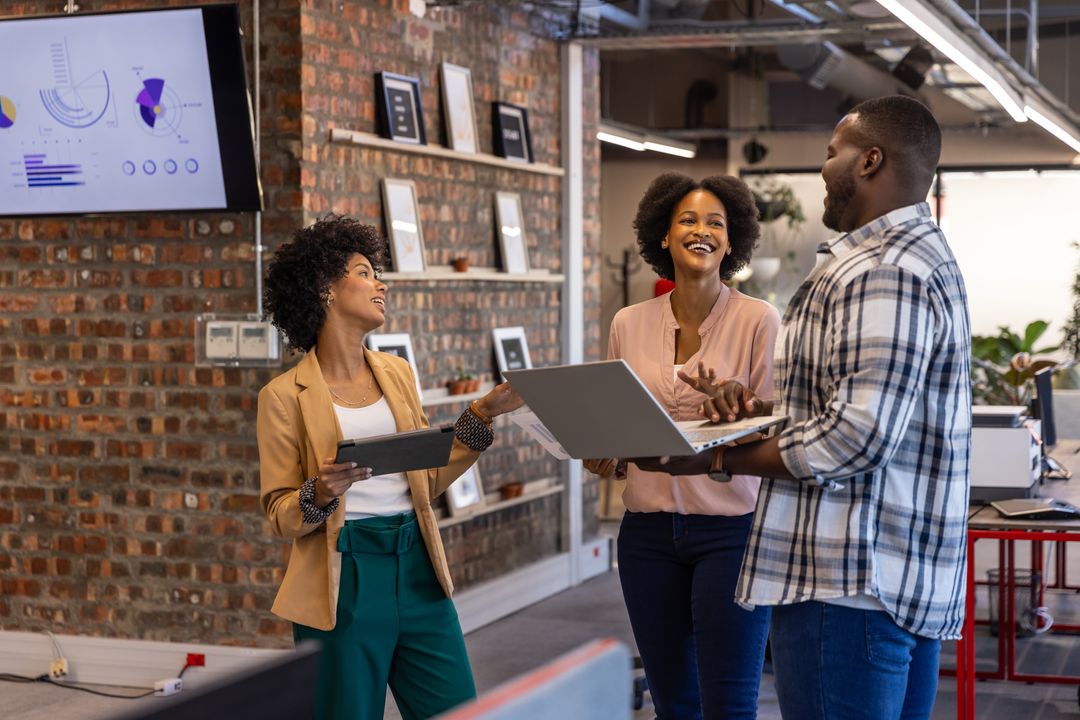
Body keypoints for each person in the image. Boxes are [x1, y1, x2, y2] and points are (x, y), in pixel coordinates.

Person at [659, 96, 971, 720]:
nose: (824, 168)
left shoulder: (883, 269)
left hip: (847, 583)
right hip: (894, 579)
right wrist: (763, 411)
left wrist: (720, 455)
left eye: (833, 154)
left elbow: (854, 437)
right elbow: (857, 405)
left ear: (870, 161)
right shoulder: (921, 256)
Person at [256, 215, 523, 720]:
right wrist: (321, 491)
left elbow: (424, 479)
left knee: (457, 709)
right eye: (363, 271)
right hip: (344, 581)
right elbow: (280, 514)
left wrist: (481, 415)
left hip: (419, 565)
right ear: (325, 290)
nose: (380, 283)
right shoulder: (281, 397)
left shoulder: (397, 374)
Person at [587, 173, 780, 719]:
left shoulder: (758, 320)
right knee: (673, 702)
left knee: (729, 702)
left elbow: (779, 426)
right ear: (664, 237)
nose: (702, 231)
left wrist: (741, 406)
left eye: (716, 222)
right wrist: (604, 452)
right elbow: (614, 424)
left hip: (731, 531)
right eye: (688, 220)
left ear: (732, 238)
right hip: (646, 534)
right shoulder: (628, 322)